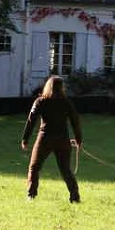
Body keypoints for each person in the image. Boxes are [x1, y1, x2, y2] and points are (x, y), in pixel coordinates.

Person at [20, 75, 82, 203]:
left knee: (34, 167)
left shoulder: (40, 101)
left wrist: (25, 139)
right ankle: (75, 196)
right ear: (61, 88)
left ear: (48, 86)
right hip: (62, 139)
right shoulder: (66, 102)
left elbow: (31, 121)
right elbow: (75, 121)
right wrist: (78, 139)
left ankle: (31, 195)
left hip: (45, 138)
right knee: (65, 169)